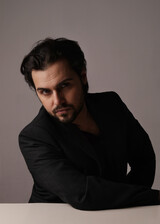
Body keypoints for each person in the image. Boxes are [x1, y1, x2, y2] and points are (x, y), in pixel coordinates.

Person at [19, 37, 160, 210]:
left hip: (114, 216)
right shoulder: (34, 137)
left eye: (65, 86)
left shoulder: (111, 104)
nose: (57, 101)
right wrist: (152, 197)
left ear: (83, 76)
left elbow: (144, 158)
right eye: (45, 92)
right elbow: (83, 193)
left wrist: (128, 204)